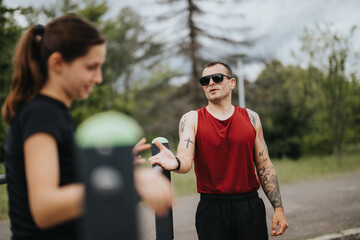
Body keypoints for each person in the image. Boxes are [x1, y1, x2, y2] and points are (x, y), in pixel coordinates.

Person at [2, 14, 172, 240]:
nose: (98, 77)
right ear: (58, 63)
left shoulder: (52, 111)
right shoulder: (41, 113)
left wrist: (106, 164)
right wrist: (123, 179)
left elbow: (63, 177)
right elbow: (44, 207)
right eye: (91, 67)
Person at [150, 61, 289, 239]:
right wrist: (174, 162)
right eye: (205, 80)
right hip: (212, 210)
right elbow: (184, 162)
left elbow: (264, 166)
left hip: (249, 206)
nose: (210, 83)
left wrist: (278, 208)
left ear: (232, 83)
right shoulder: (192, 119)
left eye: (216, 78)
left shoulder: (251, 118)